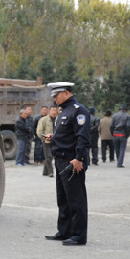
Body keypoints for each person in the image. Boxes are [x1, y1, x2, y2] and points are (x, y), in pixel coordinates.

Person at [43, 82, 90, 246]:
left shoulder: (79, 111)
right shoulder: (64, 111)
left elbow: (82, 138)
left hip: (72, 161)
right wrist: (53, 136)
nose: (54, 98)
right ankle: (64, 232)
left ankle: (78, 235)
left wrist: (79, 158)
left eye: (56, 95)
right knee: (63, 199)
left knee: (76, 200)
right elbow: (67, 134)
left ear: (66, 93)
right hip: (60, 160)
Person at [36, 105, 57, 177]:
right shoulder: (43, 120)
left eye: (55, 110)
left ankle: (45, 171)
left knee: (51, 156)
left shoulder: (58, 120)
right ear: (49, 111)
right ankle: (50, 172)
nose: (54, 112)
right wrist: (45, 137)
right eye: (52, 110)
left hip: (55, 141)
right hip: (46, 141)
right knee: (48, 156)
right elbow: (39, 132)